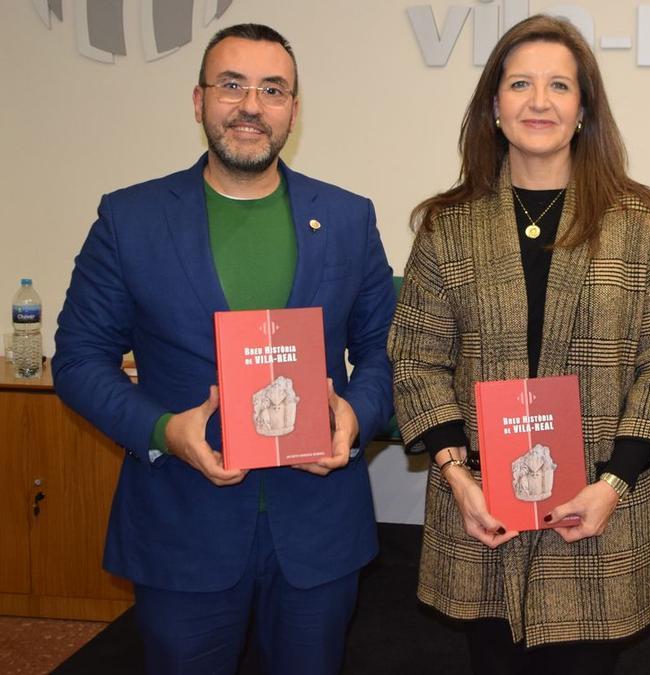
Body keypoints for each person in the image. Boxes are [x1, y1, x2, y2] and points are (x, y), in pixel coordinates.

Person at [52, 23, 395, 674]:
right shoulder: (132, 219)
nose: (250, 106)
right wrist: (162, 428)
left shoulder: (349, 218)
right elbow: (77, 359)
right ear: (198, 99)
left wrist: (356, 413)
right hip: (183, 526)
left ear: (294, 109)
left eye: (272, 90)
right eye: (231, 85)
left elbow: (383, 350)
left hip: (318, 533)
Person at [388, 14, 650, 674]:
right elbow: (416, 355)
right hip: (481, 517)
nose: (539, 100)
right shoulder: (448, 226)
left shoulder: (642, 228)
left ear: (584, 109)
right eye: (520, 83)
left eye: (560, 85)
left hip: (600, 513)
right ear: (493, 107)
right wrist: (457, 476)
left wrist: (612, 483)